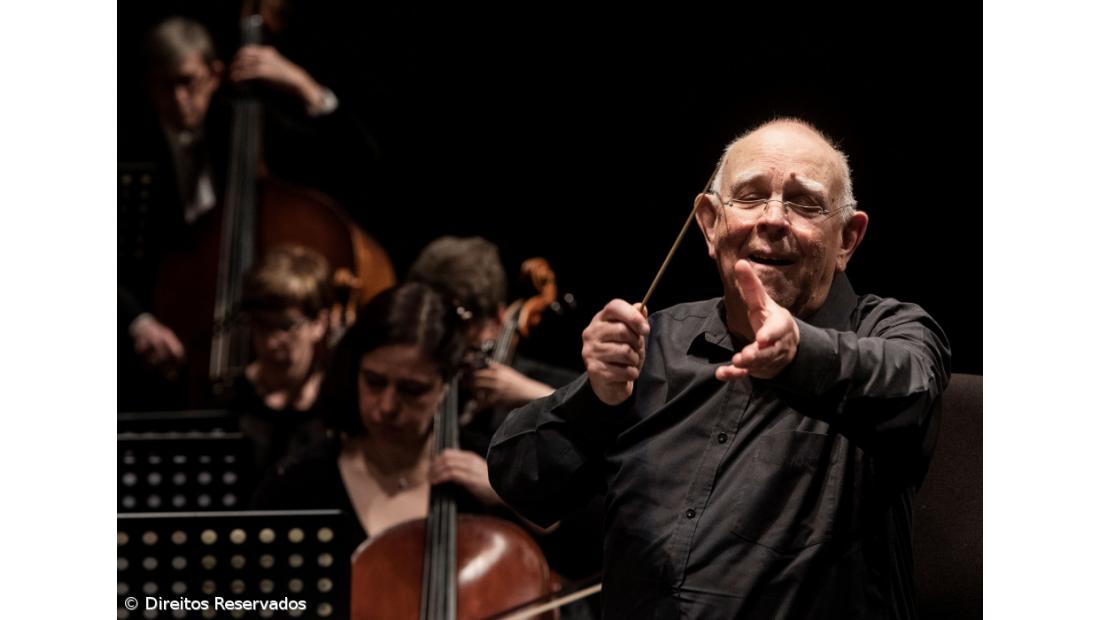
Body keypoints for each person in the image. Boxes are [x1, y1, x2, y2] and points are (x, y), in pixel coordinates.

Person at [487, 118, 951, 618]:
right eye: (750, 197)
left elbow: (912, 385)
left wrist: (798, 355)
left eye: (804, 203)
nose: (773, 219)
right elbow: (521, 482)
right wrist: (597, 398)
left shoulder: (890, 331)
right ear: (709, 224)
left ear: (847, 240)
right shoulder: (657, 341)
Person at [118, 16, 380, 410]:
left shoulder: (246, 123)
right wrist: (138, 321)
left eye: (188, 82)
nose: (178, 99)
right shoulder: (127, 143)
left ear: (214, 74)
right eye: (163, 85)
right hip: (171, 351)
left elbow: (359, 164)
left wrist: (304, 87)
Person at [250, 283, 509, 548]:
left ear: (447, 385)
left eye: (412, 390)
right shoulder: (298, 483)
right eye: (374, 382)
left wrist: (507, 500)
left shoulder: (491, 474)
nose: (387, 406)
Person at [233, 244, 332, 478]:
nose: (271, 343)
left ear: (319, 323)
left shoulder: (337, 404)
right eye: (262, 324)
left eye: (286, 326)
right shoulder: (231, 398)